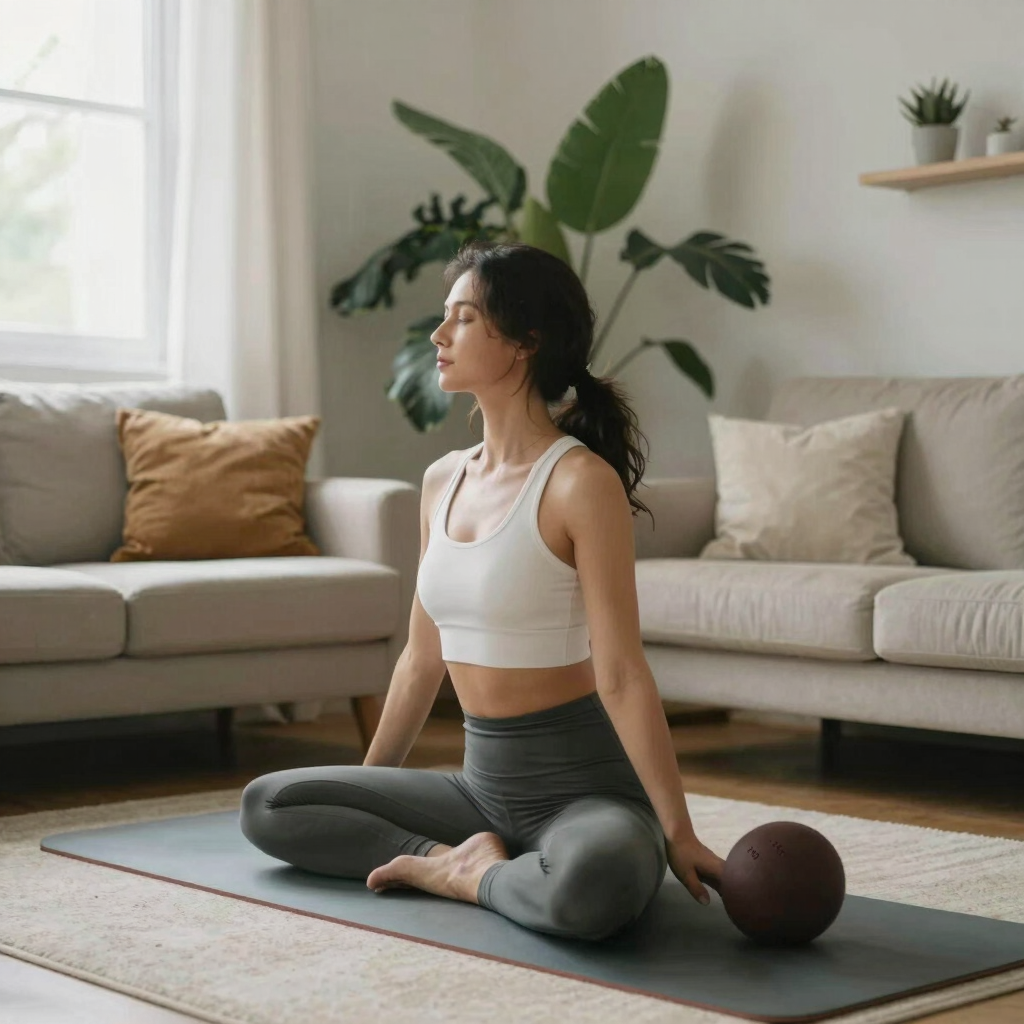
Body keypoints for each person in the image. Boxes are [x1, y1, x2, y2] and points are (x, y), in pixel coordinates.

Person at [240, 240, 725, 942]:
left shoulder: (578, 483)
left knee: (597, 885)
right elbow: (419, 660)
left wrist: (677, 830)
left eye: (462, 319)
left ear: (525, 342)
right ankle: (447, 863)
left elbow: (621, 674)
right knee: (269, 804)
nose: (438, 336)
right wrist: (371, 795)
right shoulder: (442, 480)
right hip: (477, 788)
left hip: (583, 791)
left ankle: (472, 877)